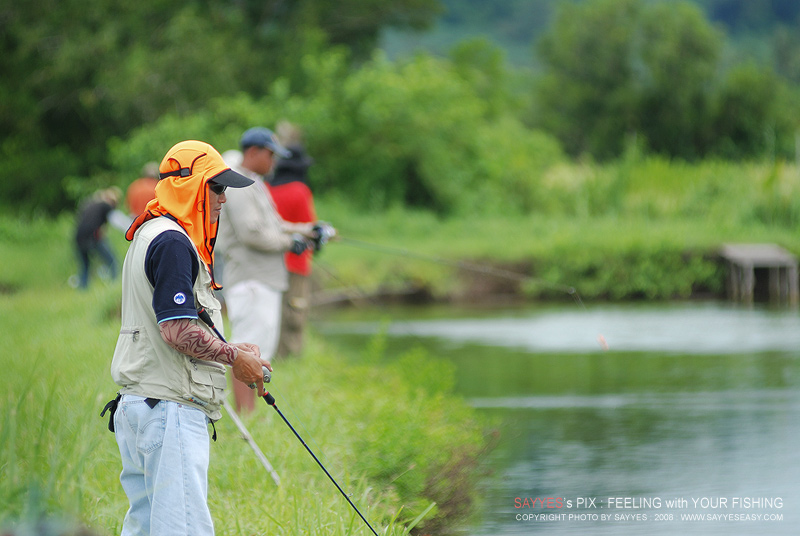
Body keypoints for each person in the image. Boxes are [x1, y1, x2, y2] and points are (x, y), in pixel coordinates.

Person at [107, 140, 272, 536]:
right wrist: (235, 358)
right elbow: (176, 330)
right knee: (184, 528)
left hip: (142, 406)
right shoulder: (173, 242)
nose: (224, 199)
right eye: (217, 188)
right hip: (169, 411)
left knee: (146, 527)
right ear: (190, 186)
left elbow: (173, 319)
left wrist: (235, 348)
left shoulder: (151, 232)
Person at [217, 127, 315, 413]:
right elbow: (252, 234)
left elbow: (273, 225)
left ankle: (250, 413)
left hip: (263, 279)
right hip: (250, 280)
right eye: (270, 154)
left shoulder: (255, 181)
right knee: (245, 349)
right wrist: (289, 243)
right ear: (253, 152)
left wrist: (307, 231)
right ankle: (245, 415)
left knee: (257, 349)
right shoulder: (238, 184)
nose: (274, 161)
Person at [268, 122, 317, 358]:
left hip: (272, 261)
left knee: (276, 311)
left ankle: (275, 353)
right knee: (296, 312)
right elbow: (310, 229)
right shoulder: (300, 190)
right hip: (297, 263)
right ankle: (292, 356)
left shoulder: (266, 188)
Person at [73, 187, 123, 289]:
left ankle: (83, 290)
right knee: (112, 261)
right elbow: (115, 221)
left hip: (78, 237)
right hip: (92, 237)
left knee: (85, 266)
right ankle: (115, 286)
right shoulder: (106, 205)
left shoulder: (89, 204)